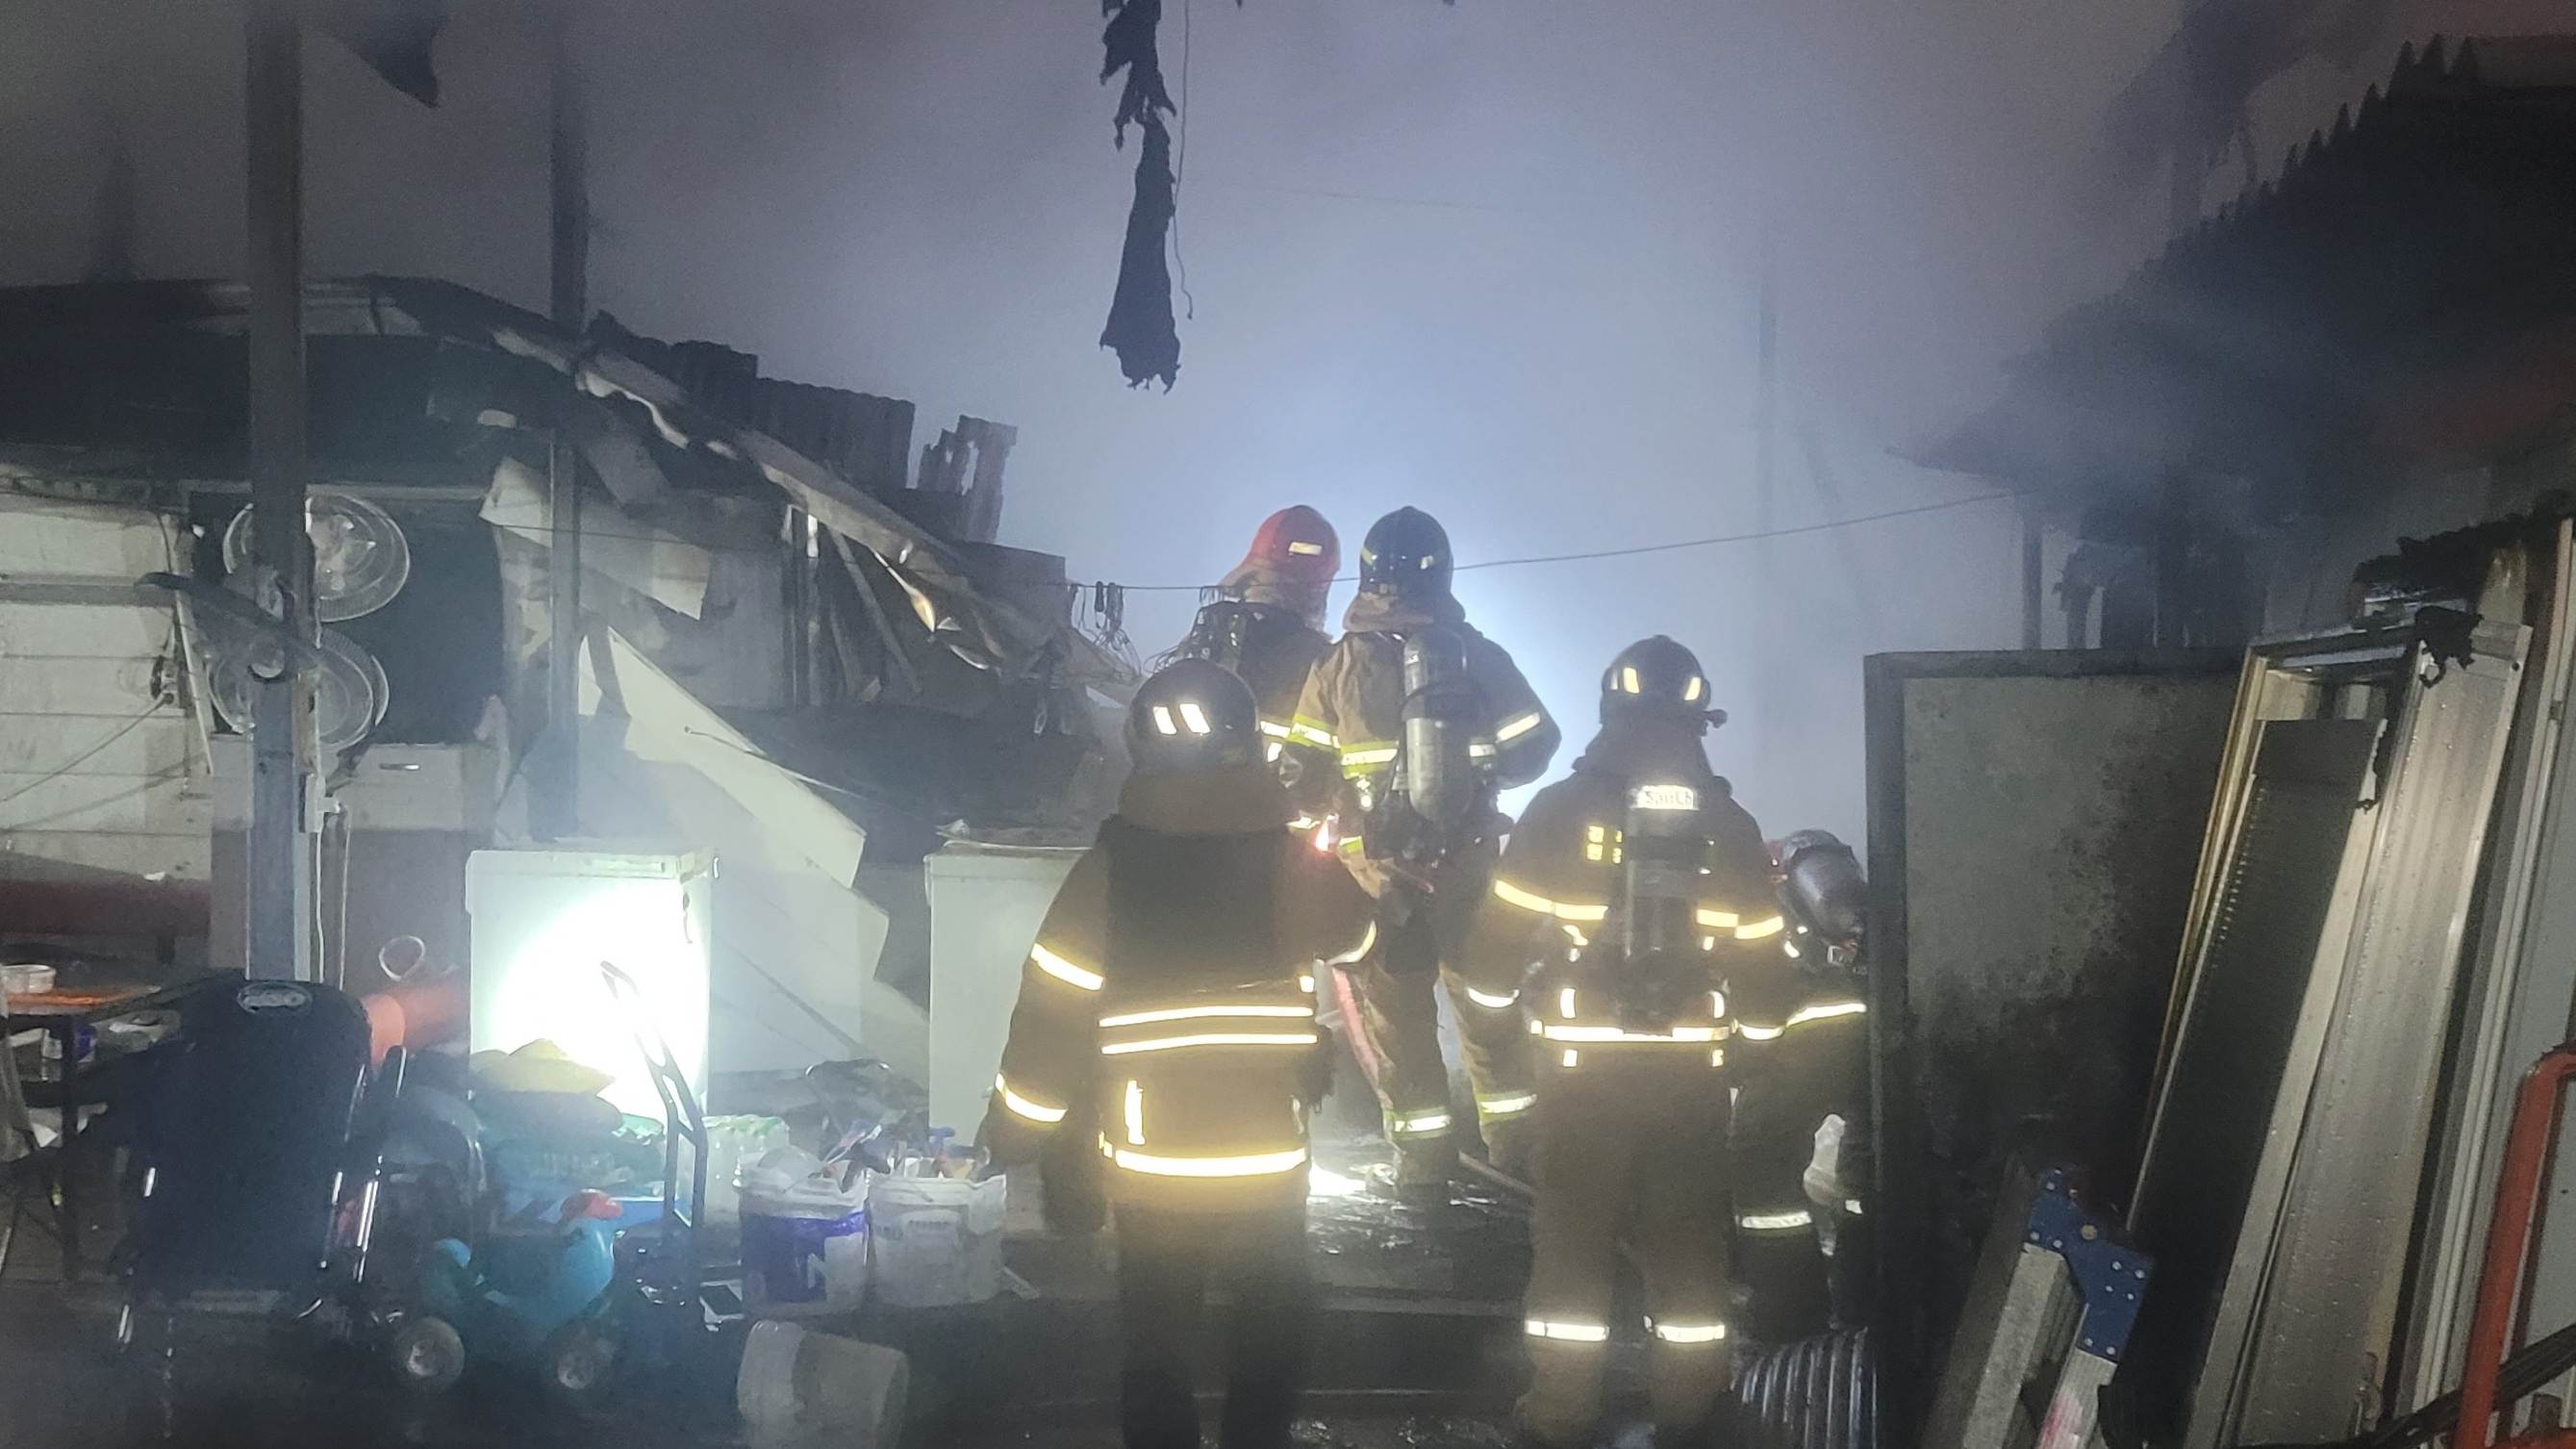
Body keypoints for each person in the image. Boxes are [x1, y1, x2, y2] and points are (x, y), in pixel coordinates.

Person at [977, 659, 1373, 1449]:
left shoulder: (1108, 872)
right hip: (1267, 1158)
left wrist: (1014, 1136)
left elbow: (1051, 1017)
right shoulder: (1289, 858)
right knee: (1272, 1327)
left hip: (1153, 1163)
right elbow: (1358, 936)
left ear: (1141, 749)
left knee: (1156, 1345)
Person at [1461, 634, 1793, 1449]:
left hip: (1579, 1082)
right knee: (1689, 1256)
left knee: (1572, 1254)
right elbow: (1764, 975)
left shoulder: (1558, 812)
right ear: (1699, 719)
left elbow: (1489, 961)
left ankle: (1560, 1415)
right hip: (1690, 1084)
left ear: (1610, 709)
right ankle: (1690, 1412)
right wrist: (1750, 1048)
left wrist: (1501, 1048)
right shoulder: (1730, 825)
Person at [1279, 505, 1559, 1192]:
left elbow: (1301, 777)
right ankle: (1518, 1158)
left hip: (1380, 880)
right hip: (1467, 869)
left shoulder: (1336, 667)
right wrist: (1480, 772)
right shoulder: (1480, 657)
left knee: (1398, 1026)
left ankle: (1423, 1169)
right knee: (1490, 1010)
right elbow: (1537, 746)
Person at [1171, 506, 1341, 775]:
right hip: (1273, 792)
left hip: (1190, 787)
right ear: (1320, 585)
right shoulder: (1320, 658)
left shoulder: (1211, 635)